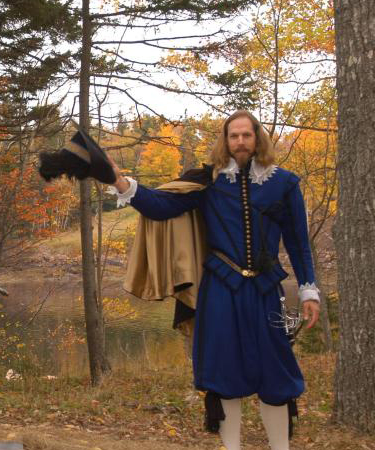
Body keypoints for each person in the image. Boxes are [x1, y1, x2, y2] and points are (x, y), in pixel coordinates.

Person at [109, 111, 320, 450]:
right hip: (220, 291)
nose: (240, 142)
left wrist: (309, 291)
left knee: (276, 373)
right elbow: (161, 206)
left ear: (257, 138)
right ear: (225, 140)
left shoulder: (284, 184)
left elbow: (298, 243)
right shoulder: (209, 182)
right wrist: (121, 183)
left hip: (266, 291)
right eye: (234, 136)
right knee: (224, 374)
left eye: (246, 135)